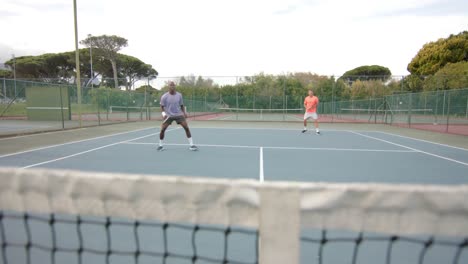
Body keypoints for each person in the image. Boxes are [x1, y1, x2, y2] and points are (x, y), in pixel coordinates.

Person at [158, 82, 198, 151]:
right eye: (171, 85)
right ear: (169, 87)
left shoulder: (179, 95)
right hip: (168, 115)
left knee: (186, 128)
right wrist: (163, 114)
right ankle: (160, 145)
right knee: (162, 130)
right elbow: (161, 106)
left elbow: (181, 105)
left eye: (173, 85)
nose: (172, 87)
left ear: (175, 87)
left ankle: (191, 145)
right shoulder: (164, 96)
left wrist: (184, 113)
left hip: (178, 114)